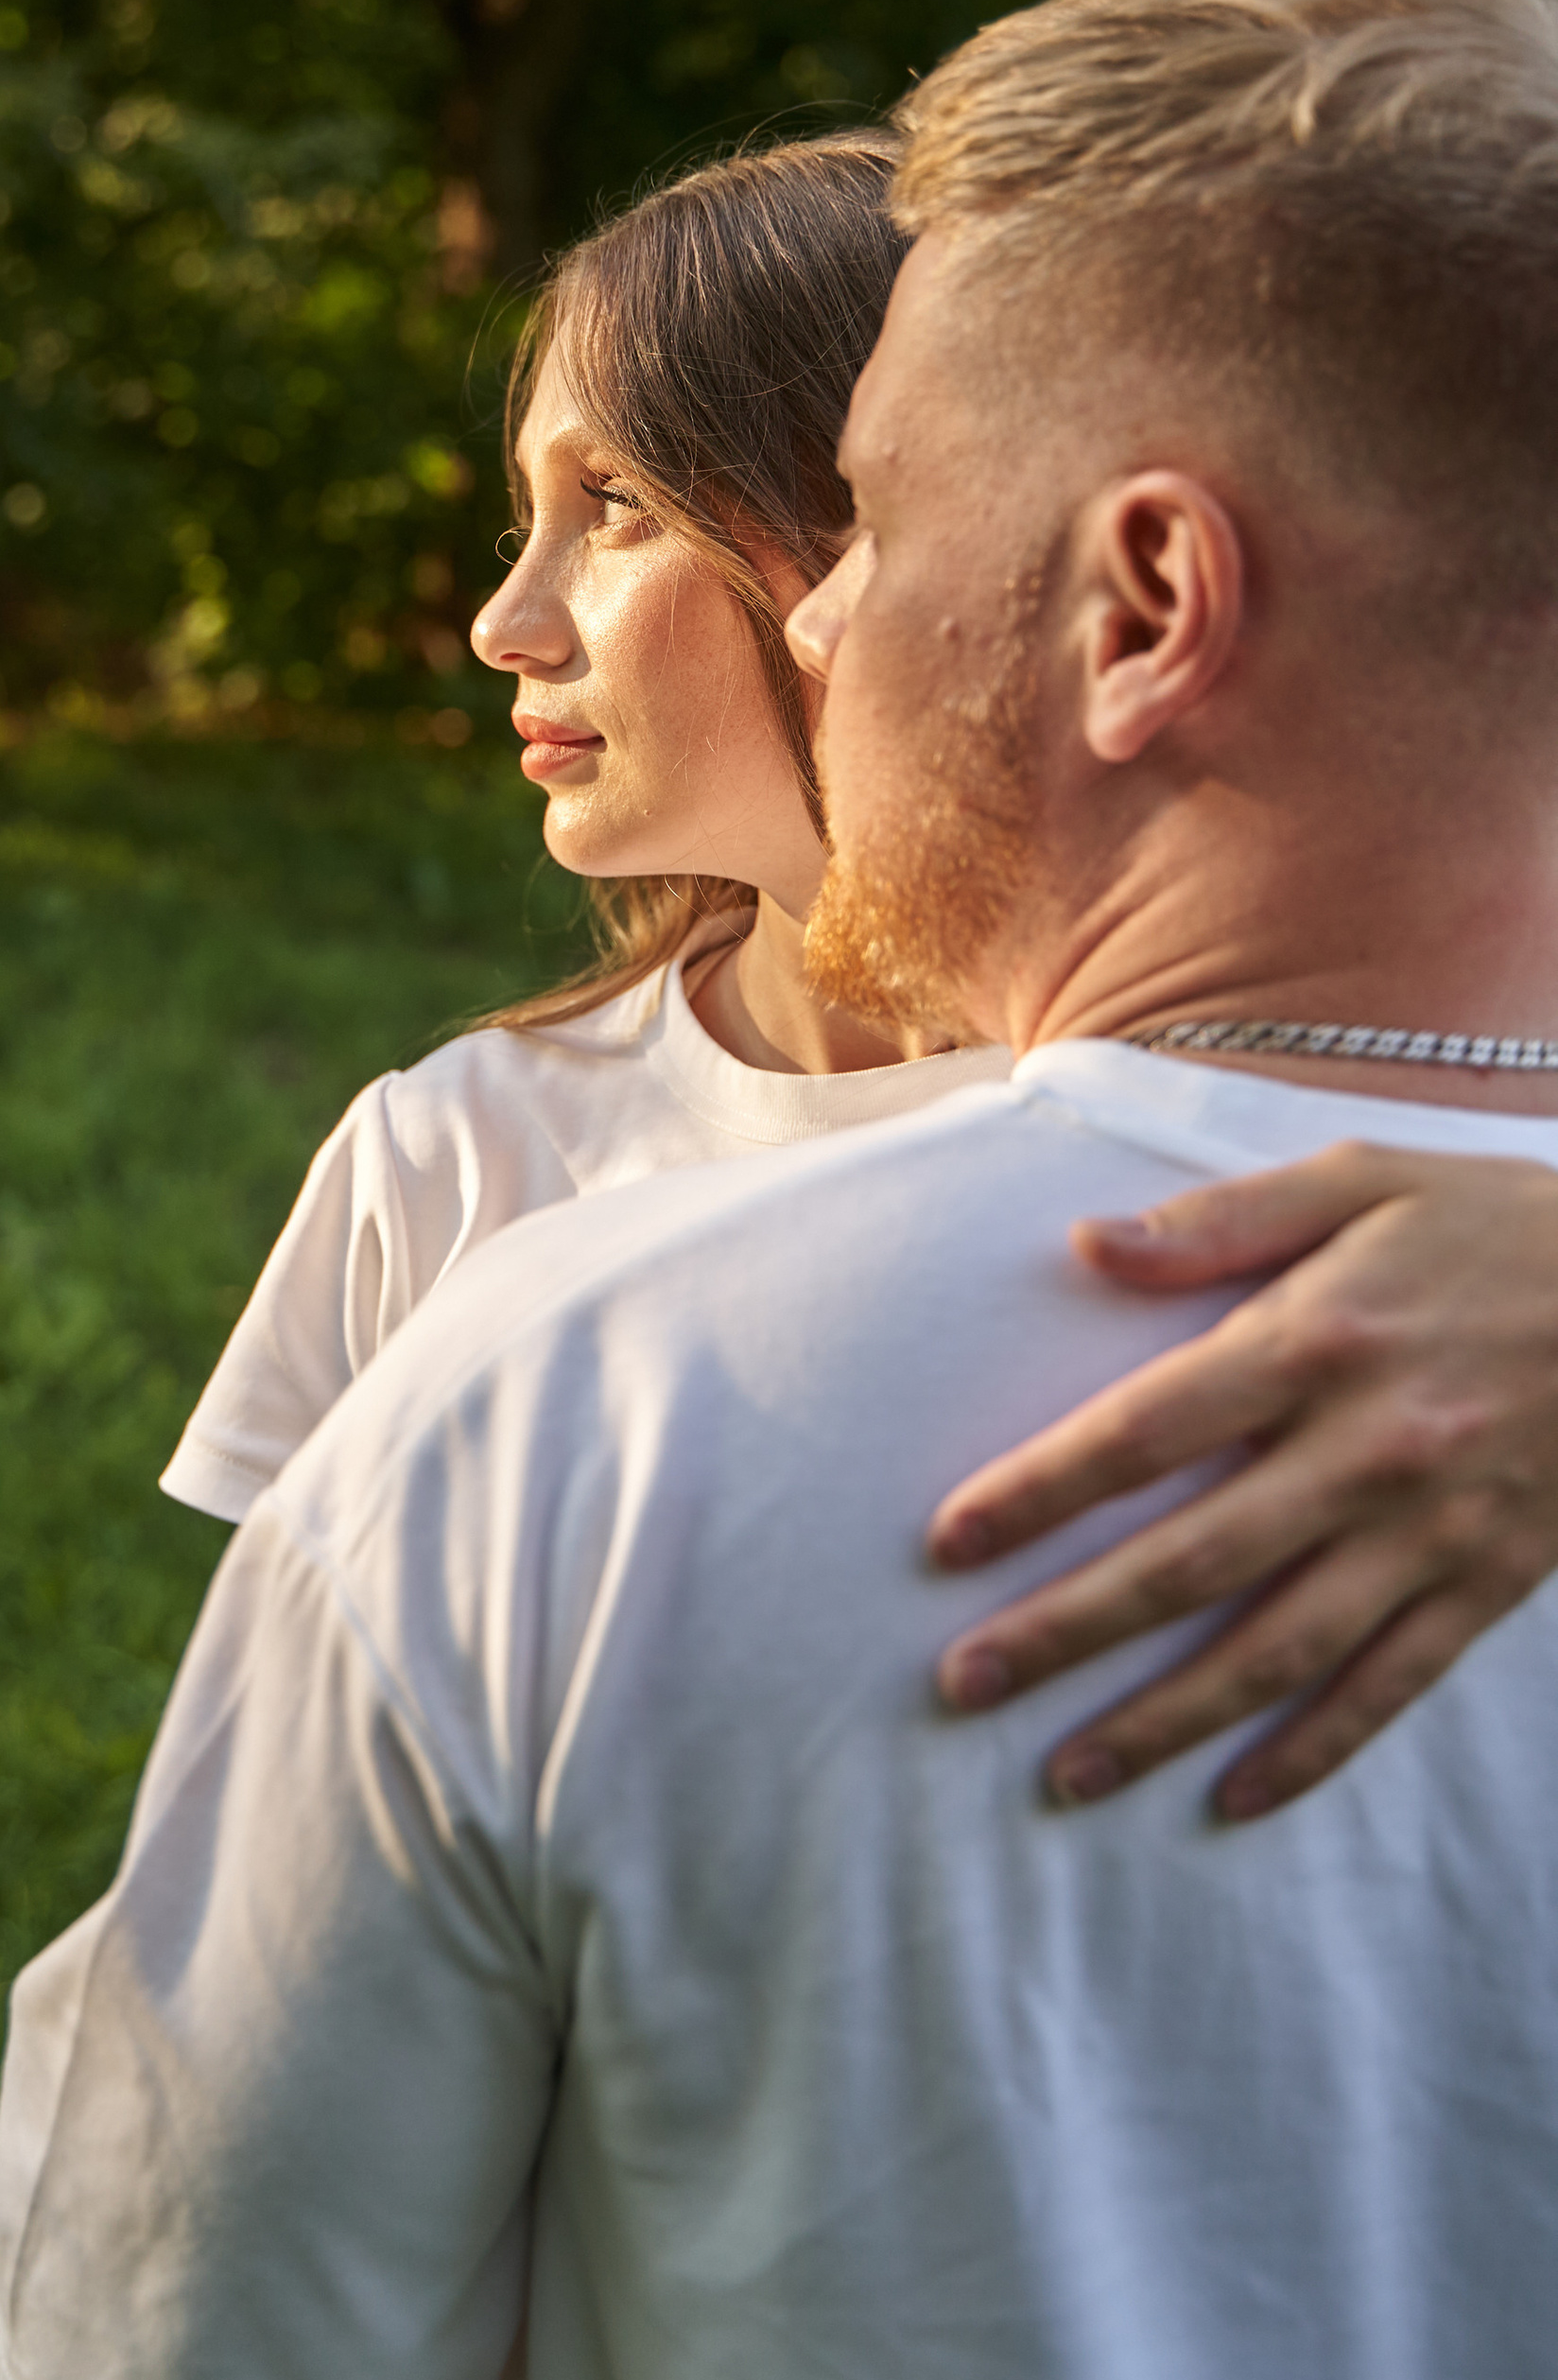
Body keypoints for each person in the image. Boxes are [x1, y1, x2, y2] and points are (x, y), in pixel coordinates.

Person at [0, 0, 1558, 2380]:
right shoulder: (489, 1211)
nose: (832, 623)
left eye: (887, 518)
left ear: (1149, 594)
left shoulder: (570, 1405)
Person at [164, 131, 1558, 1823]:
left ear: (898, 523)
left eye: (614, 507)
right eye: (531, 513)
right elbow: (294, 1815)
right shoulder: (454, 1158)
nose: (504, 621)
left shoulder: (1333, 1162)